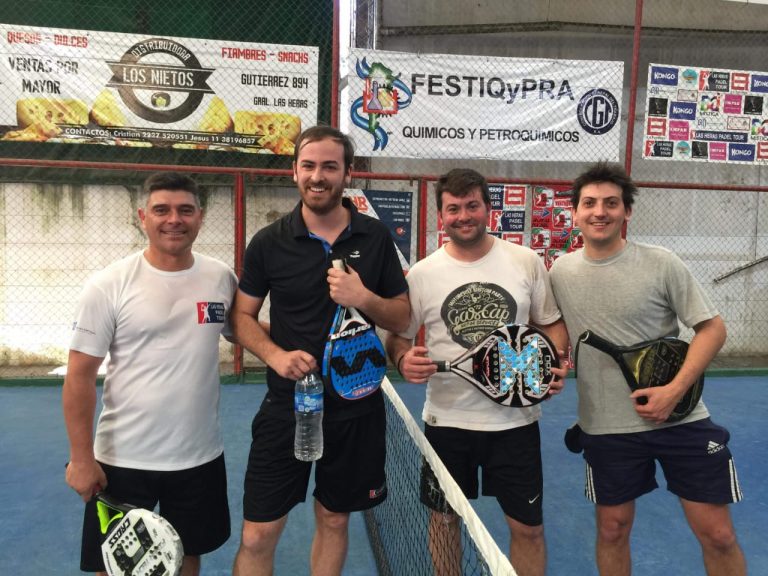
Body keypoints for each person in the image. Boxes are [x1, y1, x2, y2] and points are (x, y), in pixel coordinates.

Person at [549, 162, 746, 576]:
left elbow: (712, 329)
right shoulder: (560, 272)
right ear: (575, 212)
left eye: (611, 203)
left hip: (681, 420)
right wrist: (551, 364)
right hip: (606, 427)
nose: (600, 211)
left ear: (627, 211)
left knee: (718, 534)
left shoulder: (662, 262)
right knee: (612, 530)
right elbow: (558, 332)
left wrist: (674, 392)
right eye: (589, 203)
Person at [231, 125, 410, 576]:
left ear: (347, 174)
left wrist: (362, 297)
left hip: (357, 410)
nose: (318, 176)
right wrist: (275, 356)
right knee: (257, 534)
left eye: (330, 166)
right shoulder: (268, 242)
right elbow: (241, 317)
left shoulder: (375, 237)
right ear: (294, 171)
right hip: (286, 408)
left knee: (334, 519)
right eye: (308, 166)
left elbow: (401, 316)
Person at [386, 168, 569, 576]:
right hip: (447, 422)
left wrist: (555, 360)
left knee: (528, 529)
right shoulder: (422, 274)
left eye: (472, 206)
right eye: (453, 209)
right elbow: (397, 336)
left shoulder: (525, 261)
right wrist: (401, 358)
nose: (463, 216)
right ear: (441, 216)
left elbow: (551, 323)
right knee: (444, 522)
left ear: (488, 208)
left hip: (516, 423)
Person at [63, 172, 237, 575]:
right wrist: (81, 458)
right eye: (162, 210)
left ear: (200, 217)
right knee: (114, 565)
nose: (174, 219)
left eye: (185, 210)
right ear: (143, 217)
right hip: (122, 459)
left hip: (199, 456)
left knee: (185, 557)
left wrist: (301, 338)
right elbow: (79, 377)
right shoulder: (107, 285)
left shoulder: (220, 277)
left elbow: (243, 329)